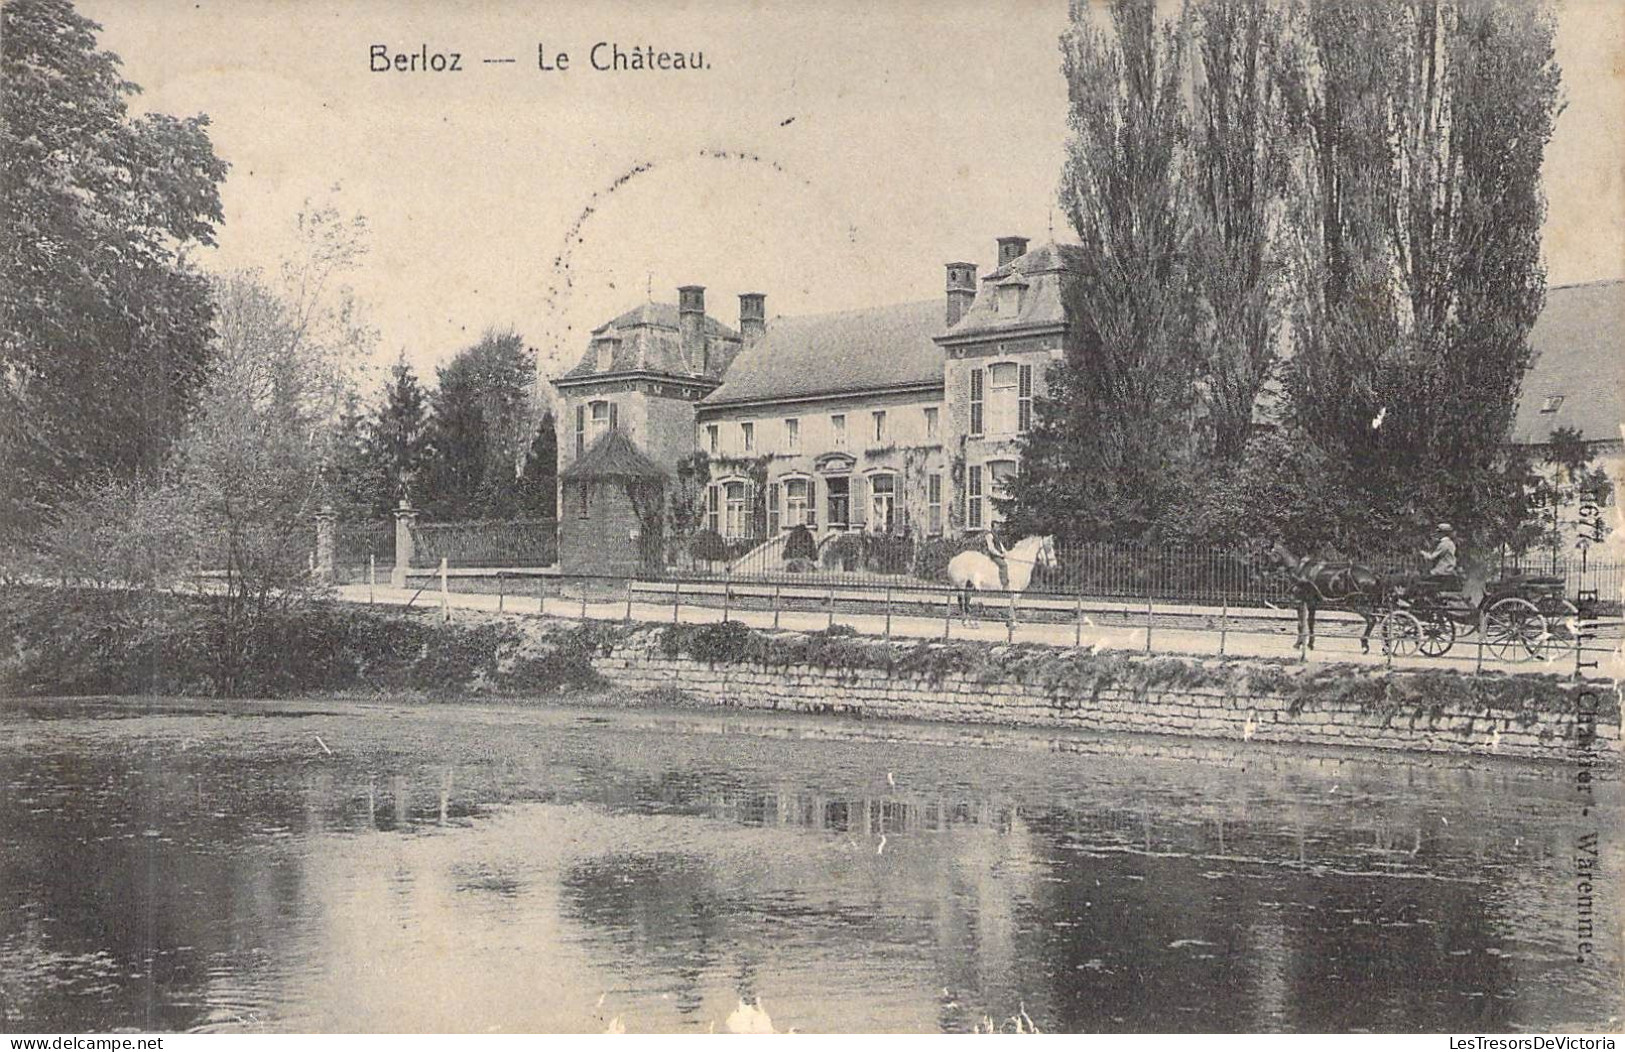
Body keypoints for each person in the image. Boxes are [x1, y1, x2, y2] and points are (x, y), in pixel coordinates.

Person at [1418, 522, 1462, 591]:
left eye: (1438, 532)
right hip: (1449, 569)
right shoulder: (1451, 543)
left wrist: (1422, 553)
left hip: (1441, 571)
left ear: (1443, 533)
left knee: (1418, 579)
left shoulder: (1444, 544)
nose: (1436, 534)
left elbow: (1431, 557)